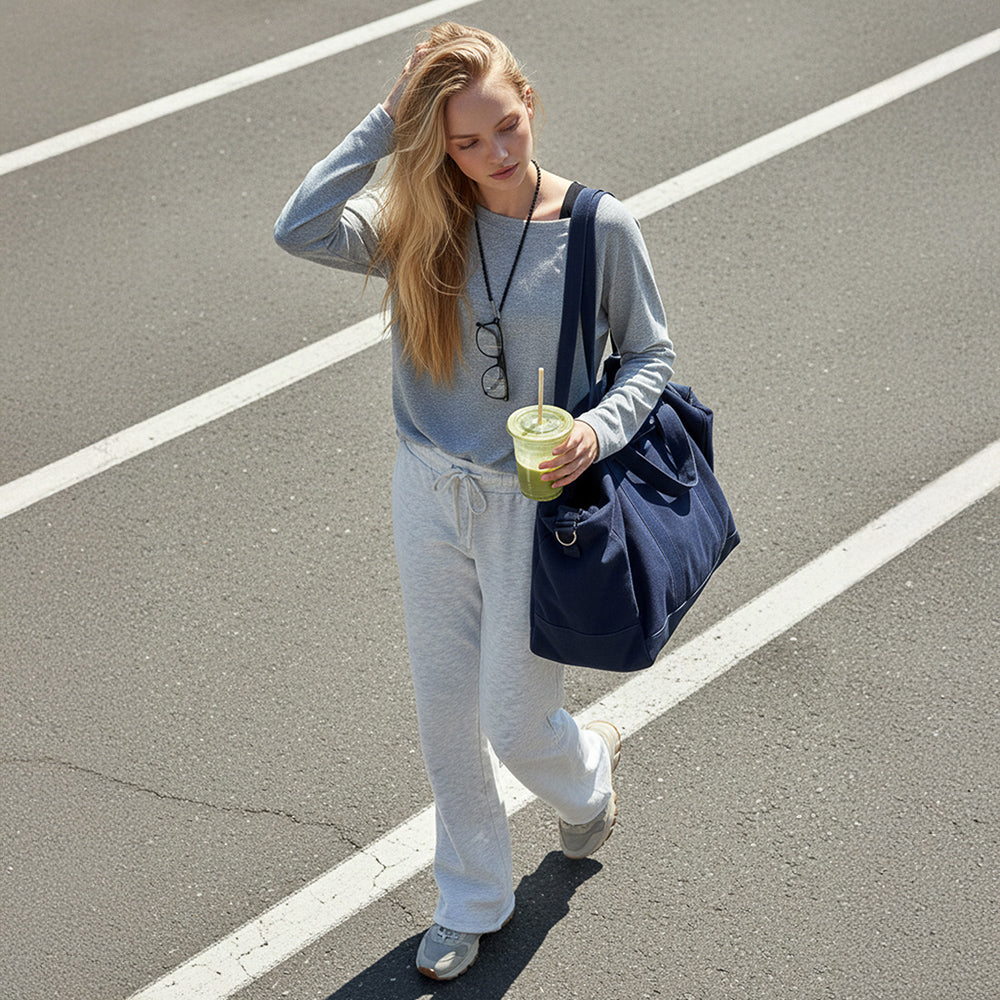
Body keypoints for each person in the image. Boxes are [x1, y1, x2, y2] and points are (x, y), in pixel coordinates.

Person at [274, 22, 675, 981]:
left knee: (511, 717)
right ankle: (471, 897)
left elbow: (653, 358)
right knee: (444, 712)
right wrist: (385, 122)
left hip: (534, 503)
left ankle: (584, 775)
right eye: (465, 141)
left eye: (505, 128)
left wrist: (596, 430)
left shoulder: (597, 228)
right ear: (437, 143)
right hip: (427, 487)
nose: (494, 155)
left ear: (528, 103)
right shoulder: (420, 220)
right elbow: (299, 226)